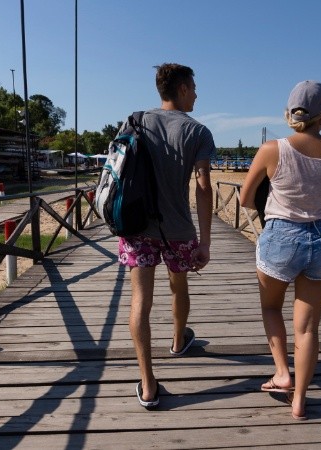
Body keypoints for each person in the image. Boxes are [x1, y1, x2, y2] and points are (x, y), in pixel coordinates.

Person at [240, 80, 321, 420]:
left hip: (281, 237)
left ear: (289, 113)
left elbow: (246, 198)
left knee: (271, 307)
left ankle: (282, 373)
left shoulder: (272, 149)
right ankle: (300, 402)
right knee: (307, 328)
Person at [119, 63, 215, 410]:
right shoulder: (198, 132)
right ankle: (177, 341)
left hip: (136, 225)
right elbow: (203, 187)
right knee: (179, 285)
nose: (197, 94)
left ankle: (148, 385)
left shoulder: (134, 121)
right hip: (178, 229)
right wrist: (205, 242)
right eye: (194, 88)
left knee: (140, 301)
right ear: (183, 89)